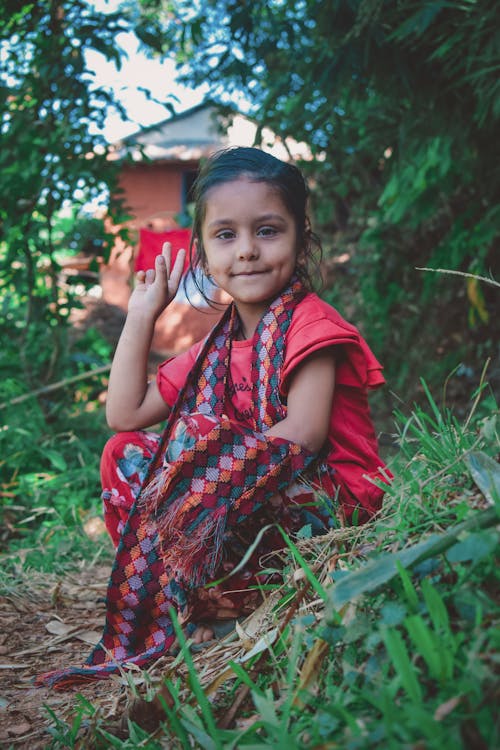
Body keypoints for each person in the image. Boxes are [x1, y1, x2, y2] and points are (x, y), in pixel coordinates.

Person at [41, 147, 388, 687]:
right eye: (226, 234)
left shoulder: (312, 327)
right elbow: (124, 413)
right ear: (201, 255)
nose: (247, 251)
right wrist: (142, 313)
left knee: (195, 446)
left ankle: (239, 601)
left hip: (330, 503)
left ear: (301, 238)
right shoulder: (216, 350)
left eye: (268, 230)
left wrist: (192, 478)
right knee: (127, 453)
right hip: (248, 497)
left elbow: (303, 434)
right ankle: (211, 605)